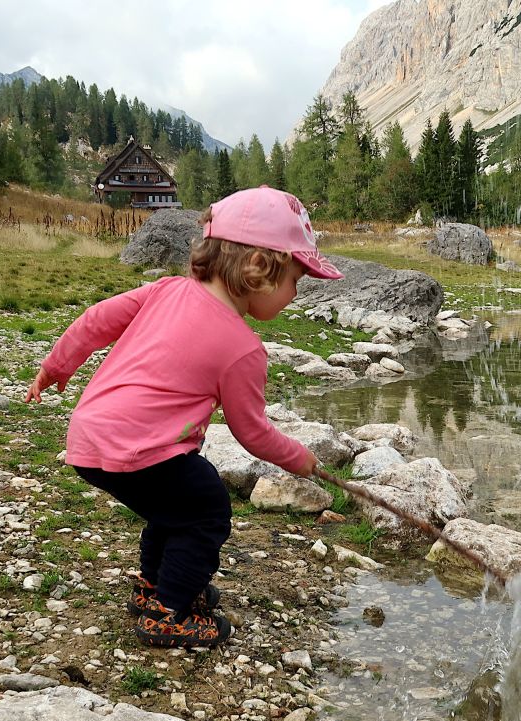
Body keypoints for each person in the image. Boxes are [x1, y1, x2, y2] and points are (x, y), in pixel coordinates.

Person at [24, 186, 343, 648]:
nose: (296, 293)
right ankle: (168, 612)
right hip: (140, 446)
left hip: (88, 437)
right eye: (296, 278)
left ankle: (158, 585)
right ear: (258, 268)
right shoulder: (242, 349)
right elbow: (251, 431)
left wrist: (55, 367)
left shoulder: (165, 291)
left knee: (173, 506)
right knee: (205, 509)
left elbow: (95, 321)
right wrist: (300, 459)